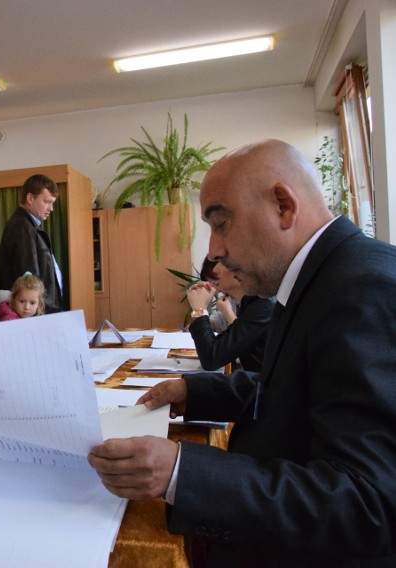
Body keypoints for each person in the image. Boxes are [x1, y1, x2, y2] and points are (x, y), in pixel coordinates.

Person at [88, 139, 396, 567]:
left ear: (283, 206)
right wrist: (195, 392)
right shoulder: (325, 275)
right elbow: (296, 390)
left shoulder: (362, 290)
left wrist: (184, 472)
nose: (213, 251)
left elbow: (368, 504)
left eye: (221, 223)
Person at [186, 261, 275, 371]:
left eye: (223, 260)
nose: (215, 269)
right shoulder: (249, 301)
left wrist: (199, 310)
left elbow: (211, 359)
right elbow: (219, 346)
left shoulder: (263, 304)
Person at [0, 174, 64, 312]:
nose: (51, 208)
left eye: (52, 203)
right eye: (47, 202)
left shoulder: (28, 226)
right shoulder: (21, 228)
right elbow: (29, 281)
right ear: (30, 198)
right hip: (35, 314)